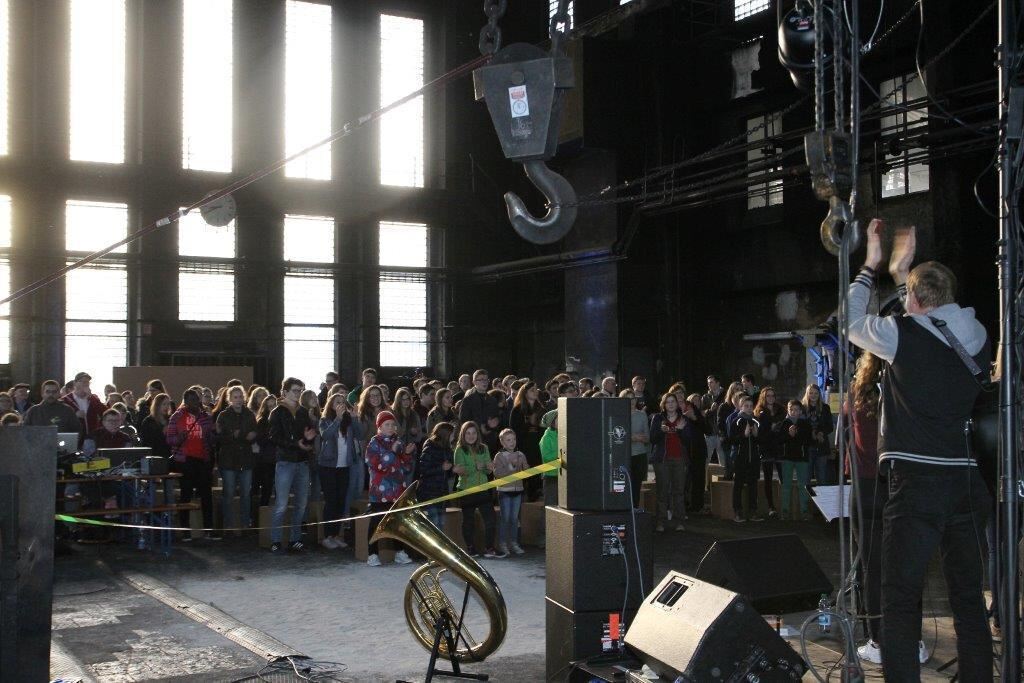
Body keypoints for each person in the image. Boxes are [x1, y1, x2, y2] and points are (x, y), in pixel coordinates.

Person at [849, 220, 990, 680]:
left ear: (913, 300)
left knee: (900, 596)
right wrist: (903, 278)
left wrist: (871, 267)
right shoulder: (978, 335)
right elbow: (931, 320)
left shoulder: (900, 335)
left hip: (916, 484)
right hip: (968, 482)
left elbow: (853, 323)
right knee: (968, 596)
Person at [268, 378, 316, 553]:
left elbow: (309, 433)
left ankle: (296, 538)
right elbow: (274, 437)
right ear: (285, 392)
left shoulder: (303, 412)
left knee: (301, 504)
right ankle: (276, 540)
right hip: (285, 462)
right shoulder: (277, 412)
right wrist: (297, 444)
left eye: (300, 390)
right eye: (295, 390)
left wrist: (309, 439)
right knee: (281, 504)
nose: (298, 393)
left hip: (302, 461)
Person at [364, 410, 415, 567]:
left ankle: (399, 552)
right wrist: (392, 452)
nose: (391, 427)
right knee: (377, 522)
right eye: (387, 424)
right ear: (379, 426)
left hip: (397, 490)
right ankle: (372, 553)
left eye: (393, 424)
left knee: (397, 522)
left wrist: (406, 455)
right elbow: (378, 465)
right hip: (380, 492)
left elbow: (405, 467)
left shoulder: (398, 442)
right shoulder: (373, 444)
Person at [166, 389, 216, 537]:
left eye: (197, 399)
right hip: (184, 460)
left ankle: (209, 529)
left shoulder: (205, 417)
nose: (196, 402)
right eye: (193, 400)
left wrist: (213, 436)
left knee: (206, 495)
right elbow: (169, 440)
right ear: (186, 402)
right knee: (185, 494)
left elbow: (212, 438)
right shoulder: (177, 417)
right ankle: (185, 530)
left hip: (202, 459)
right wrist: (179, 438)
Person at [318, 393, 363, 550]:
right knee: (331, 501)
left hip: (345, 466)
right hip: (328, 467)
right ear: (331, 405)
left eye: (343, 402)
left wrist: (356, 418)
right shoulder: (324, 420)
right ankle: (327, 536)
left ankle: (336, 534)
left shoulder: (348, 422)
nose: (341, 405)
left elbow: (360, 434)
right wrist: (337, 419)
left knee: (341, 501)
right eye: (337, 402)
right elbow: (326, 435)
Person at [453, 421, 501, 558]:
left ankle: (489, 548)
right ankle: (470, 548)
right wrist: (476, 467)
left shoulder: (484, 448)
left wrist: (488, 467)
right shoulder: (459, 449)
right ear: (463, 434)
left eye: (474, 433)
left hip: (483, 490)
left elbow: (487, 469)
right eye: (468, 433)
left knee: (490, 519)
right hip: (466, 490)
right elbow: (460, 470)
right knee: (468, 521)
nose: (471, 436)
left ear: (477, 434)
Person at [215, 386, 258, 534]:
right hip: (229, 460)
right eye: (235, 397)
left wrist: (251, 436)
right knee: (229, 493)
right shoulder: (223, 415)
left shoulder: (249, 414)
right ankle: (229, 524)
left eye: (240, 397)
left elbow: (255, 432)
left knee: (246, 493)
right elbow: (218, 438)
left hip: (246, 459)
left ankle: (245, 523)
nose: (238, 400)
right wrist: (234, 436)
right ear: (230, 399)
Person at [649, 393, 692, 532]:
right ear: (664, 404)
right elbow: (652, 439)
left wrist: (679, 431)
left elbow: (688, 441)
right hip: (662, 460)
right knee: (662, 491)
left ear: (677, 404)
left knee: (678, 492)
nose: (671, 404)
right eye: (668, 402)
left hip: (679, 459)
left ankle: (679, 521)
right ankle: (660, 522)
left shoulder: (684, 419)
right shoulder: (657, 418)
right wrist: (661, 432)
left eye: (673, 401)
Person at [492, 428, 529, 556]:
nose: (512, 442)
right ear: (502, 442)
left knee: (514, 518)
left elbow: (526, 471)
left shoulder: (520, 454)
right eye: (508, 440)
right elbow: (497, 474)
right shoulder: (499, 456)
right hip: (504, 491)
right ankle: (502, 544)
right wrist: (511, 466)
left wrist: (524, 466)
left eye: (513, 439)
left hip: (518, 490)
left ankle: (513, 543)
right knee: (505, 518)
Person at [725, 395, 761, 523]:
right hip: (740, 457)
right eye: (746, 406)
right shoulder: (737, 421)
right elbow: (731, 440)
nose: (749, 408)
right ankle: (737, 512)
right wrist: (744, 435)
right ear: (740, 407)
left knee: (753, 485)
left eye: (751, 406)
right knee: (738, 484)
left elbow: (760, 440)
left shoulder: (756, 421)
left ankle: (753, 511)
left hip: (754, 458)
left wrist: (756, 435)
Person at [509, 381, 545, 501]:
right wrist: (529, 424)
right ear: (525, 393)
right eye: (532, 390)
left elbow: (544, 429)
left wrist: (536, 425)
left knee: (535, 479)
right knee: (522, 478)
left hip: (537, 447)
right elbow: (514, 431)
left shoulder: (541, 409)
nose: (535, 392)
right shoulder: (518, 410)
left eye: (536, 389)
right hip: (523, 447)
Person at [417, 422, 455, 530]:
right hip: (429, 492)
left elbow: (448, 472)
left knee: (441, 525)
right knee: (434, 524)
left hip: (441, 492)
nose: (453, 437)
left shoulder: (448, 449)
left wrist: (452, 469)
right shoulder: (430, 447)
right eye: (451, 434)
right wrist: (441, 468)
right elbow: (423, 469)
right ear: (445, 435)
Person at [754, 386, 785, 519]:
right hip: (766, 448)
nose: (771, 398)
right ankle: (771, 507)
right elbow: (760, 435)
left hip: (779, 447)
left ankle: (784, 506)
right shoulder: (760, 412)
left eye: (772, 395)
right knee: (768, 478)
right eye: (768, 396)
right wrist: (771, 429)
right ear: (763, 397)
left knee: (783, 478)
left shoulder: (781, 410)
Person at [777, 400, 811, 521]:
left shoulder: (805, 423)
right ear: (788, 410)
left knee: (803, 485)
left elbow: (808, 440)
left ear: (800, 411)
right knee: (786, 485)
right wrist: (788, 435)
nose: (794, 412)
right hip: (787, 458)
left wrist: (797, 434)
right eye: (792, 410)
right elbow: (780, 441)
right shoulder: (784, 423)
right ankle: (785, 511)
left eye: (797, 410)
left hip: (802, 458)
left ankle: (804, 510)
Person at [459, 369, 501, 451]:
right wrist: (479, 426)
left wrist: (494, 423)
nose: (484, 382)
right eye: (481, 379)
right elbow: (463, 420)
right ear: (474, 382)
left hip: (490, 439)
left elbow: (497, 417)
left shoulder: (493, 400)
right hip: (473, 439)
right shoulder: (468, 400)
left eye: (486, 380)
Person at [621, 389, 650, 506]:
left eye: (633, 398)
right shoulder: (619, 415)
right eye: (627, 398)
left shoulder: (642, 415)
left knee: (636, 486)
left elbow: (647, 438)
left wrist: (633, 437)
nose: (631, 401)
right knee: (622, 486)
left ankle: (635, 510)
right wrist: (633, 437)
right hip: (624, 455)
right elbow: (619, 436)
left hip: (639, 455)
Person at [802, 383, 834, 485]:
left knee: (822, 478)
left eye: (816, 393)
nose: (813, 395)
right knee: (806, 479)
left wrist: (821, 432)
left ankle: (822, 500)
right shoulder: (802, 408)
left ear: (819, 394)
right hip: (807, 448)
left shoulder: (825, 408)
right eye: (811, 393)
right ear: (807, 394)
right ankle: (806, 500)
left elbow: (830, 427)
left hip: (821, 447)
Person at [252, 395, 278, 508]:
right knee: (264, 489)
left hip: (277, 459)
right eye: (269, 406)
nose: (272, 408)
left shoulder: (281, 419)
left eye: (274, 405)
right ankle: (258, 515)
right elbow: (260, 440)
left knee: (273, 489)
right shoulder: (262, 421)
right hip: (265, 460)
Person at [139, 393, 173, 460]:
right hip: (154, 457)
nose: (166, 407)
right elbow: (146, 442)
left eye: (168, 404)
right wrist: (162, 433)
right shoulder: (148, 421)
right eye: (164, 404)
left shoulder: (170, 420)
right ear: (157, 405)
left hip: (168, 456)